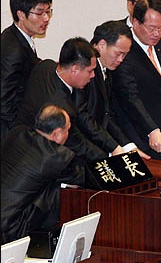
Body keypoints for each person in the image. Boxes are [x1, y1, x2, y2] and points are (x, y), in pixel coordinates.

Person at [1, 104, 97, 244]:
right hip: (12, 227)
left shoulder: (18, 132)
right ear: (57, 133)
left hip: (6, 213)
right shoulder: (56, 156)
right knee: (58, 190)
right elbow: (85, 178)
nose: (68, 134)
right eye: (68, 130)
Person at [111, 0, 161, 161]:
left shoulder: (160, 44)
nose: (157, 34)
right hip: (142, 138)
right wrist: (152, 130)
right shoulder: (125, 53)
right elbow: (130, 98)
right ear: (136, 22)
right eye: (152, 28)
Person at [16, 37, 108, 162]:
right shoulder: (62, 110)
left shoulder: (45, 66)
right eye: (90, 71)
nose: (93, 76)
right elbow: (80, 146)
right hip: (37, 158)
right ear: (74, 69)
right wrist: (108, 159)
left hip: (17, 140)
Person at [73, 20, 149, 160]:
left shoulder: (106, 70)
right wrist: (114, 147)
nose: (121, 60)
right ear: (102, 45)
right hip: (82, 151)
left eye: (125, 55)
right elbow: (82, 116)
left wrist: (127, 146)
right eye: (118, 53)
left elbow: (107, 115)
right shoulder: (85, 70)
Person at [1, 0, 53, 141]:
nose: (46, 18)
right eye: (39, 13)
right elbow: (4, 104)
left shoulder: (15, 36)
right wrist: (24, 137)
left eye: (48, 11)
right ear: (21, 14)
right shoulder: (13, 50)